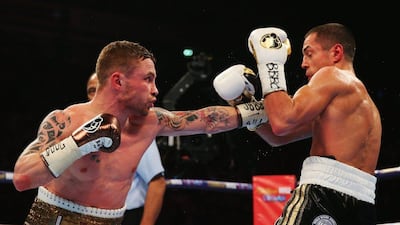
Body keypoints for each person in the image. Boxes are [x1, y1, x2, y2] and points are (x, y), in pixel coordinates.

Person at [13, 40, 267, 224]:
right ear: (118, 81)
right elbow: (22, 178)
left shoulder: (151, 122)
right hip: (54, 219)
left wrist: (266, 109)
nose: (156, 90)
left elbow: (207, 120)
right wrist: (80, 141)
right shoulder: (65, 120)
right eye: (148, 79)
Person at [214, 23, 382, 225]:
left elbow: (282, 121)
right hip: (362, 205)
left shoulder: (333, 75)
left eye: (309, 54)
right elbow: (278, 137)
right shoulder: (357, 106)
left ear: (336, 52)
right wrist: (245, 101)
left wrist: (270, 64)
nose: (303, 63)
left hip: (324, 194)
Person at [87, 72, 166, 225]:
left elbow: (157, 182)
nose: (96, 95)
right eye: (91, 91)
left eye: (100, 89)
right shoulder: (85, 130)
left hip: (127, 216)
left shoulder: (134, 129)